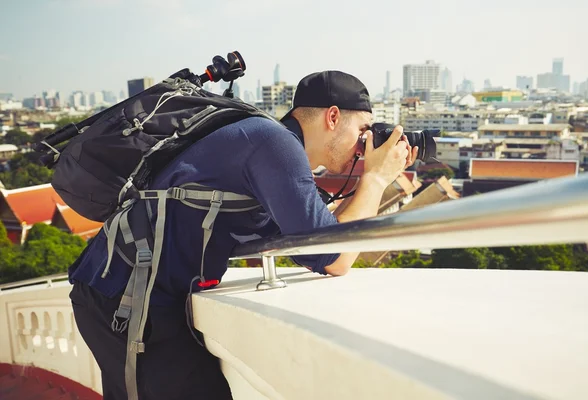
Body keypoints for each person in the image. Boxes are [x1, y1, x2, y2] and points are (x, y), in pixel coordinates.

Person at [68, 70, 417, 399]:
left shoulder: (268, 142)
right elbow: (335, 258)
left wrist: (373, 177)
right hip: (130, 299)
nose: (365, 143)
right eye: (364, 129)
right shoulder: (274, 145)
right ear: (333, 117)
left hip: (129, 293)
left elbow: (320, 238)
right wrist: (375, 180)